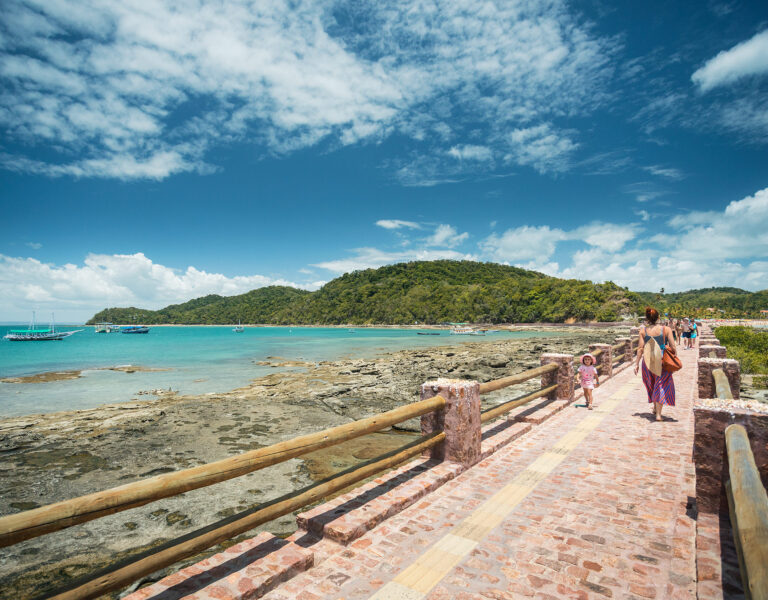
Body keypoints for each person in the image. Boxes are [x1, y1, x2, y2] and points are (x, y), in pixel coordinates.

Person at [634, 307, 676, 421]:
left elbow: (640, 349)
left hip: (647, 360)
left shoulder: (643, 331)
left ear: (647, 319)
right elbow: (673, 346)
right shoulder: (666, 329)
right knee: (661, 384)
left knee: (651, 383)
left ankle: (655, 407)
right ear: (658, 317)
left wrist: (637, 364)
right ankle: (658, 414)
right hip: (661, 359)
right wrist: (673, 357)